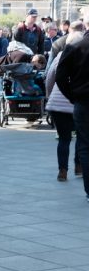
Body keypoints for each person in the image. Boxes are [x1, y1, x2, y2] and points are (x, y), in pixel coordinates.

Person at [55, 30, 89, 202]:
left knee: (85, 143)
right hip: (81, 101)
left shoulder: (74, 47)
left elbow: (59, 77)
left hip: (83, 101)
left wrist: (73, 96)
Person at [46, 32, 84, 182]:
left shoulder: (61, 55)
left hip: (57, 103)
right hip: (77, 102)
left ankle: (62, 171)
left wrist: (49, 96)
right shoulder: (84, 56)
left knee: (64, 139)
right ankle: (78, 166)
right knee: (81, 136)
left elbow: (50, 76)